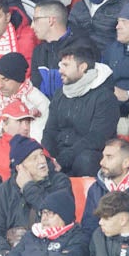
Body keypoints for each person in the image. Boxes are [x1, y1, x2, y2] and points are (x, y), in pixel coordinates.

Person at [43, 46, 119, 178]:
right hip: (60, 155)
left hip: (88, 156)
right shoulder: (60, 94)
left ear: (82, 67)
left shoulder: (105, 97)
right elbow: (50, 131)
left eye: (66, 65)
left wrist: (63, 160)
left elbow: (97, 138)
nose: (60, 70)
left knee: (85, 160)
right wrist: (48, 158)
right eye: (60, 65)